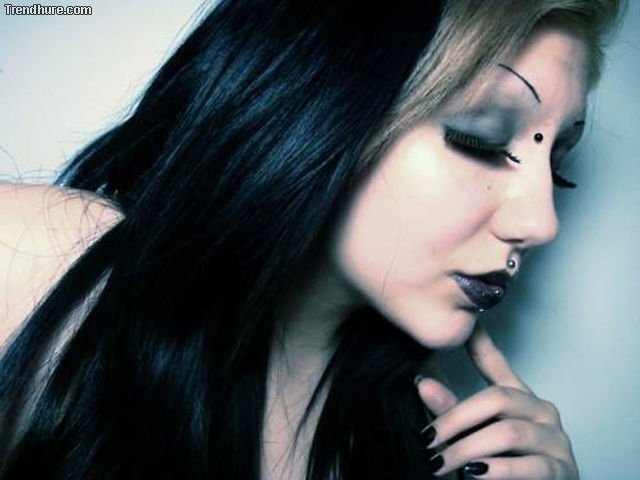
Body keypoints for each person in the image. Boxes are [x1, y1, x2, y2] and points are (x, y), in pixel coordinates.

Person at [0, 0, 623, 478]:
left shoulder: (411, 439)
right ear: (321, 103)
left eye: (556, 163)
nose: (540, 223)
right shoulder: (39, 261)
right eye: (480, 138)